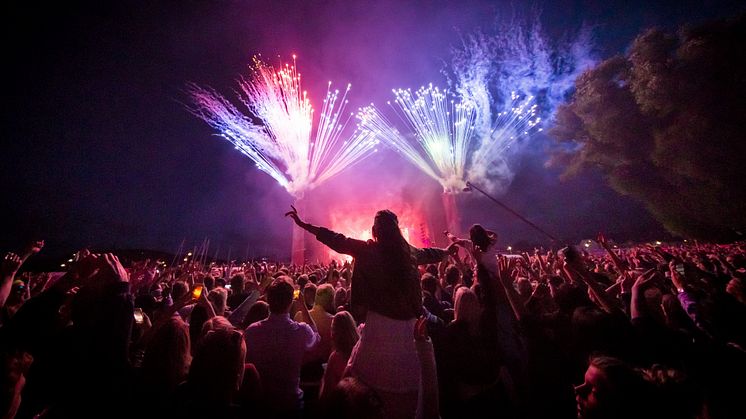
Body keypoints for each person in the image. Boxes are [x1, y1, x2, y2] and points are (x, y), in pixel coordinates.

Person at [285, 206, 456, 418]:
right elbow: (430, 254)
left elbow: (336, 239)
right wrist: (448, 251)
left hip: (378, 332)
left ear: (375, 231)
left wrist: (304, 225)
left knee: (366, 396)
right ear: (397, 230)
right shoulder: (408, 252)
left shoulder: (368, 250)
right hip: (411, 336)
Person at [244, 276, 320, 416]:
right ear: (291, 301)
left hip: (261, 405)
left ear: (268, 300)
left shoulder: (251, 331)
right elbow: (316, 337)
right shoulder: (301, 331)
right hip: (291, 404)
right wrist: (303, 306)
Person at [319, 311, 359, 400]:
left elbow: (326, 394)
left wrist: (324, 378)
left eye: (332, 329)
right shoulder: (359, 353)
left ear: (335, 332)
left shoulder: (336, 357)